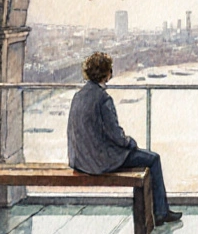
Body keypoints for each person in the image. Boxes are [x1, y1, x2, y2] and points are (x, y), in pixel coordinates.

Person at [67, 52, 182, 223]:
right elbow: (115, 134)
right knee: (153, 159)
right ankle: (160, 212)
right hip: (98, 162)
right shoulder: (103, 98)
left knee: (146, 158)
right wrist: (130, 142)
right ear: (107, 73)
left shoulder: (78, 95)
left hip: (79, 160)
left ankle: (158, 211)